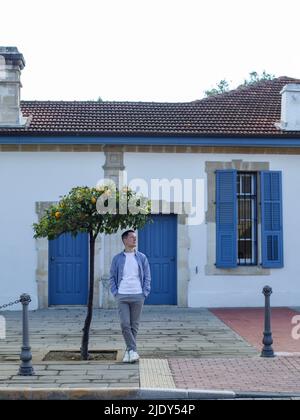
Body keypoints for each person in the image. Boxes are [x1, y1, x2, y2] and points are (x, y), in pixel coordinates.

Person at [110, 230, 151, 363]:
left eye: (135, 237)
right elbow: (112, 277)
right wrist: (115, 292)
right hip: (122, 294)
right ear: (125, 240)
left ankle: (130, 352)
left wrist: (145, 292)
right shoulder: (117, 258)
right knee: (125, 324)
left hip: (138, 294)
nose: (135, 240)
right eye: (132, 238)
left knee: (134, 325)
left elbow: (147, 276)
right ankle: (132, 350)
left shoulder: (142, 257)